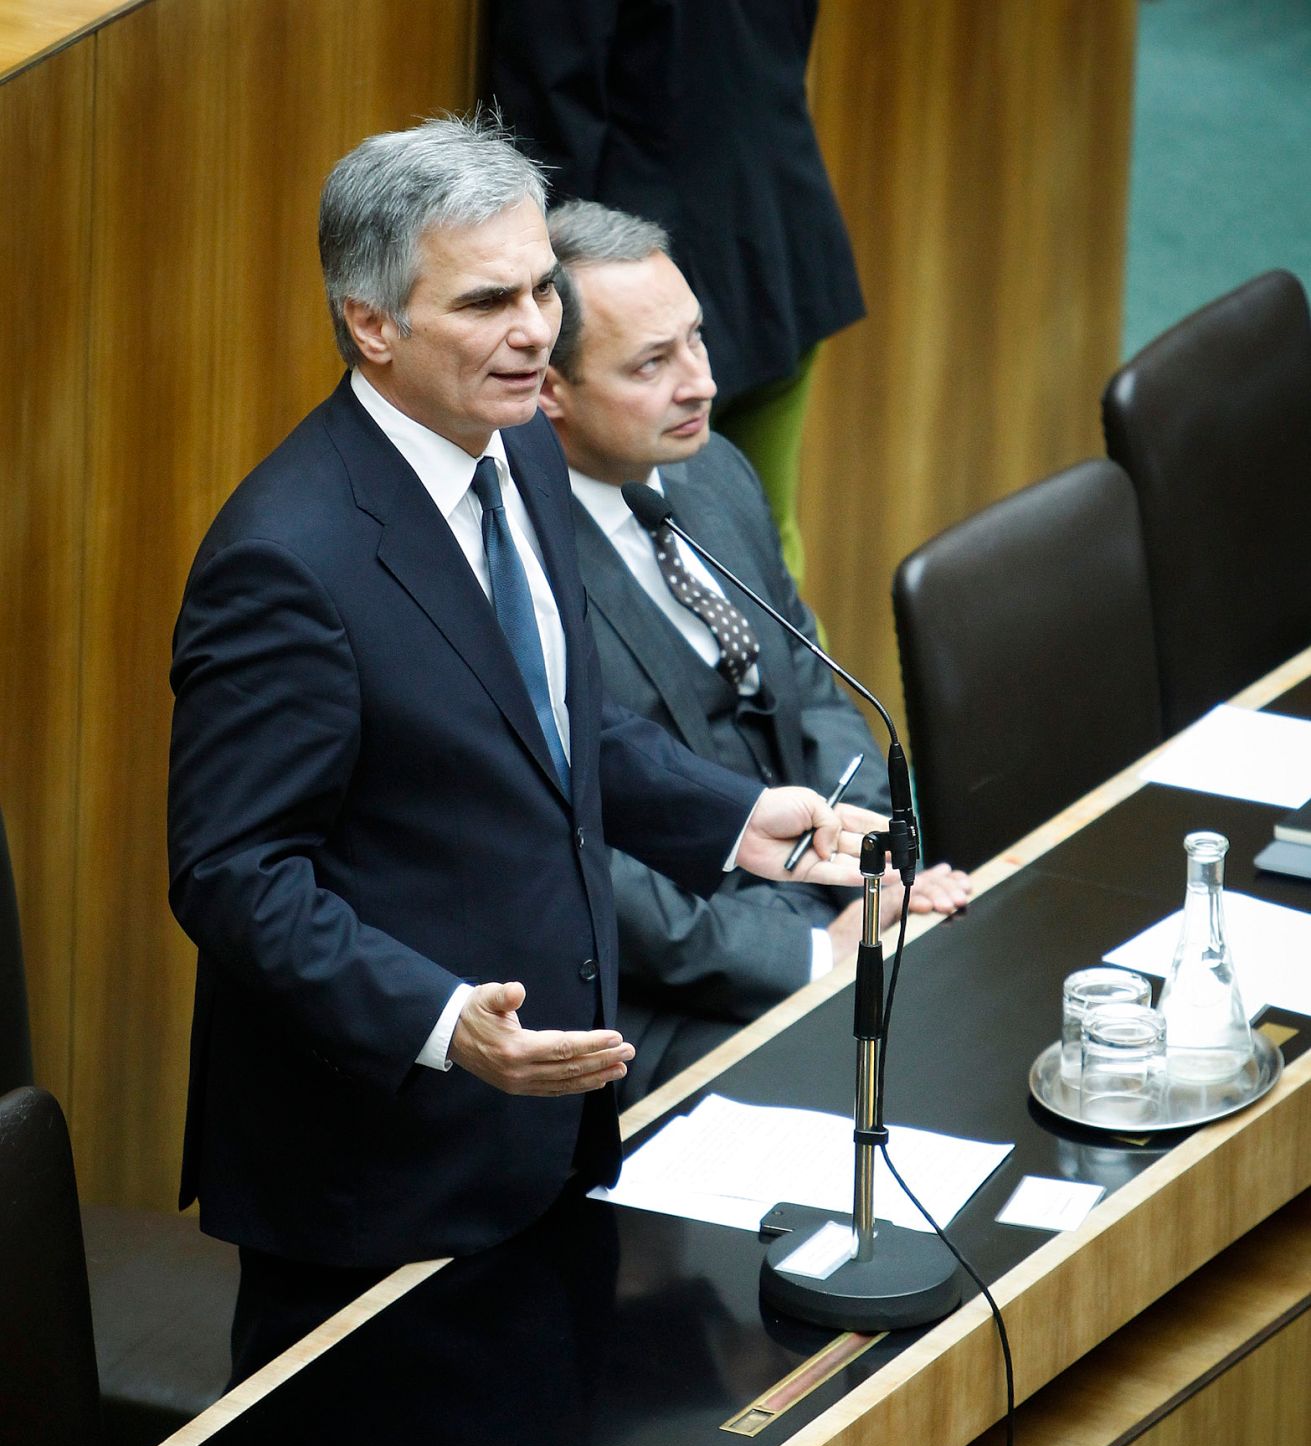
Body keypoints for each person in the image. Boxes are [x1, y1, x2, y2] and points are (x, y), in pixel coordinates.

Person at [166, 116, 881, 1373]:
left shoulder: (522, 452)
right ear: (370, 323)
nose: (538, 329)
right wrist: (444, 1019)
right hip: (381, 1171)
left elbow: (555, 716)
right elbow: (234, 875)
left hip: (553, 1118)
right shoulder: (285, 559)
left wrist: (727, 817)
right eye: (488, 299)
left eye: (542, 286)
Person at [539, 201, 970, 1099]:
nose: (698, 382)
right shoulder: (519, 573)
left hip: (828, 895)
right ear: (551, 390)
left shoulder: (713, 472)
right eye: (651, 364)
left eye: (694, 340)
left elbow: (809, 687)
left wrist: (877, 868)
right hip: (666, 991)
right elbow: (574, 854)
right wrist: (808, 954)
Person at [486, 0, 864, 582]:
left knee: (615, 566)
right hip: (779, 240)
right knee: (764, 545)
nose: (700, 380)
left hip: (628, 288)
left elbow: (548, 101)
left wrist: (536, 292)